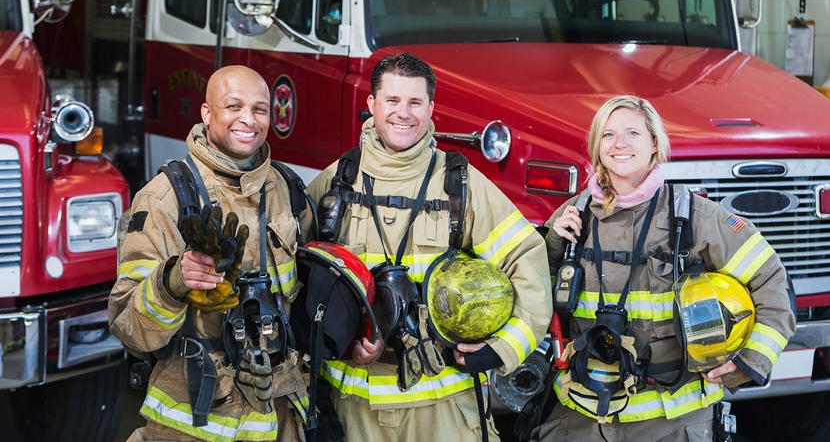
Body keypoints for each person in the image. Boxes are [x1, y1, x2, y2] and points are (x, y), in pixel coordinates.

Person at [306, 52, 552, 441]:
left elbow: (527, 259)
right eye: (393, 101)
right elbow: (296, 282)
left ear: (431, 107)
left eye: (415, 102)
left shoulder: (460, 184)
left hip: (443, 412)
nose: (403, 113)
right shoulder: (335, 184)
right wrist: (340, 337)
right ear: (371, 104)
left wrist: (503, 348)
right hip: (353, 410)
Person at [534, 95, 796, 441]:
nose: (619, 144)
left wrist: (750, 361)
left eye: (632, 133)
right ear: (596, 146)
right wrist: (552, 246)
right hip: (582, 419)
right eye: (608, 135)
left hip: (673, 422)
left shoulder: (694, 217)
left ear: (655, 144)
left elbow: (773, 283)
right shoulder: (572, 217)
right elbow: (530, 294)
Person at [109, 65, 312, 442]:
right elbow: (129, 329)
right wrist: (172, 282)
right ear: (206, 113)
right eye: (233, 106)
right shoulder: (163, 198)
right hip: (195, 419)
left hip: (279, 413)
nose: (248, 120)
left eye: (260, 109)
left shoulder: (288, 189)